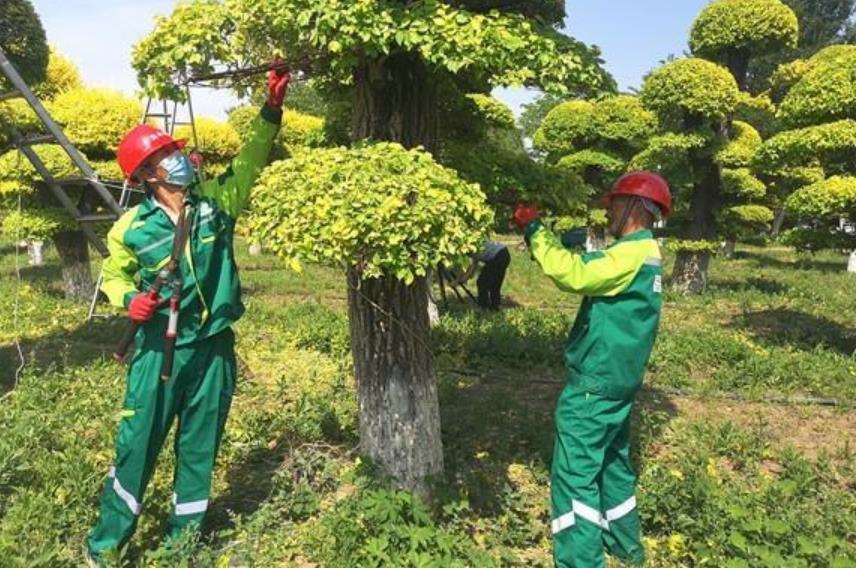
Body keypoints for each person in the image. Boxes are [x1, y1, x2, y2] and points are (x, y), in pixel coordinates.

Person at [85, 65, 291, 564]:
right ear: (148, 175)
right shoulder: (130, 227)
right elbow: (112, 277)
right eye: (165, 156)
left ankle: (183, 542)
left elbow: (251, 160)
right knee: (137, 445)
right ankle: (106, 545)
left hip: (214, 347)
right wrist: (126, 300)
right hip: (158, 350)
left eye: (174, 152)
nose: (178, 160)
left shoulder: (216, 203)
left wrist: (271, 109)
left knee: (200, 447)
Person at [512, 171, 672, 568]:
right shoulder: (647, 252)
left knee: (575, 473)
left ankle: (581, 561)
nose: (608, 212)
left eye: (615, 204)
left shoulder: (631, 253)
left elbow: (575, 274)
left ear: (635, 207)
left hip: (594, 384)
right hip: (620, 383)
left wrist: (535, 229)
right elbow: (600, 270)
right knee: (613, 464)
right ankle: (626, 548)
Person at [457, 240, 511, 310]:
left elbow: (473, 266)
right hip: (504, 252)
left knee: (482, 283)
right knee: (495, 284)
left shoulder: (469, 248)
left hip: (497, 256)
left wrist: (463, 278)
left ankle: (484, 307)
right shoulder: (473, 241)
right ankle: (495, 307)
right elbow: (474, 264)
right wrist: (466, 277)